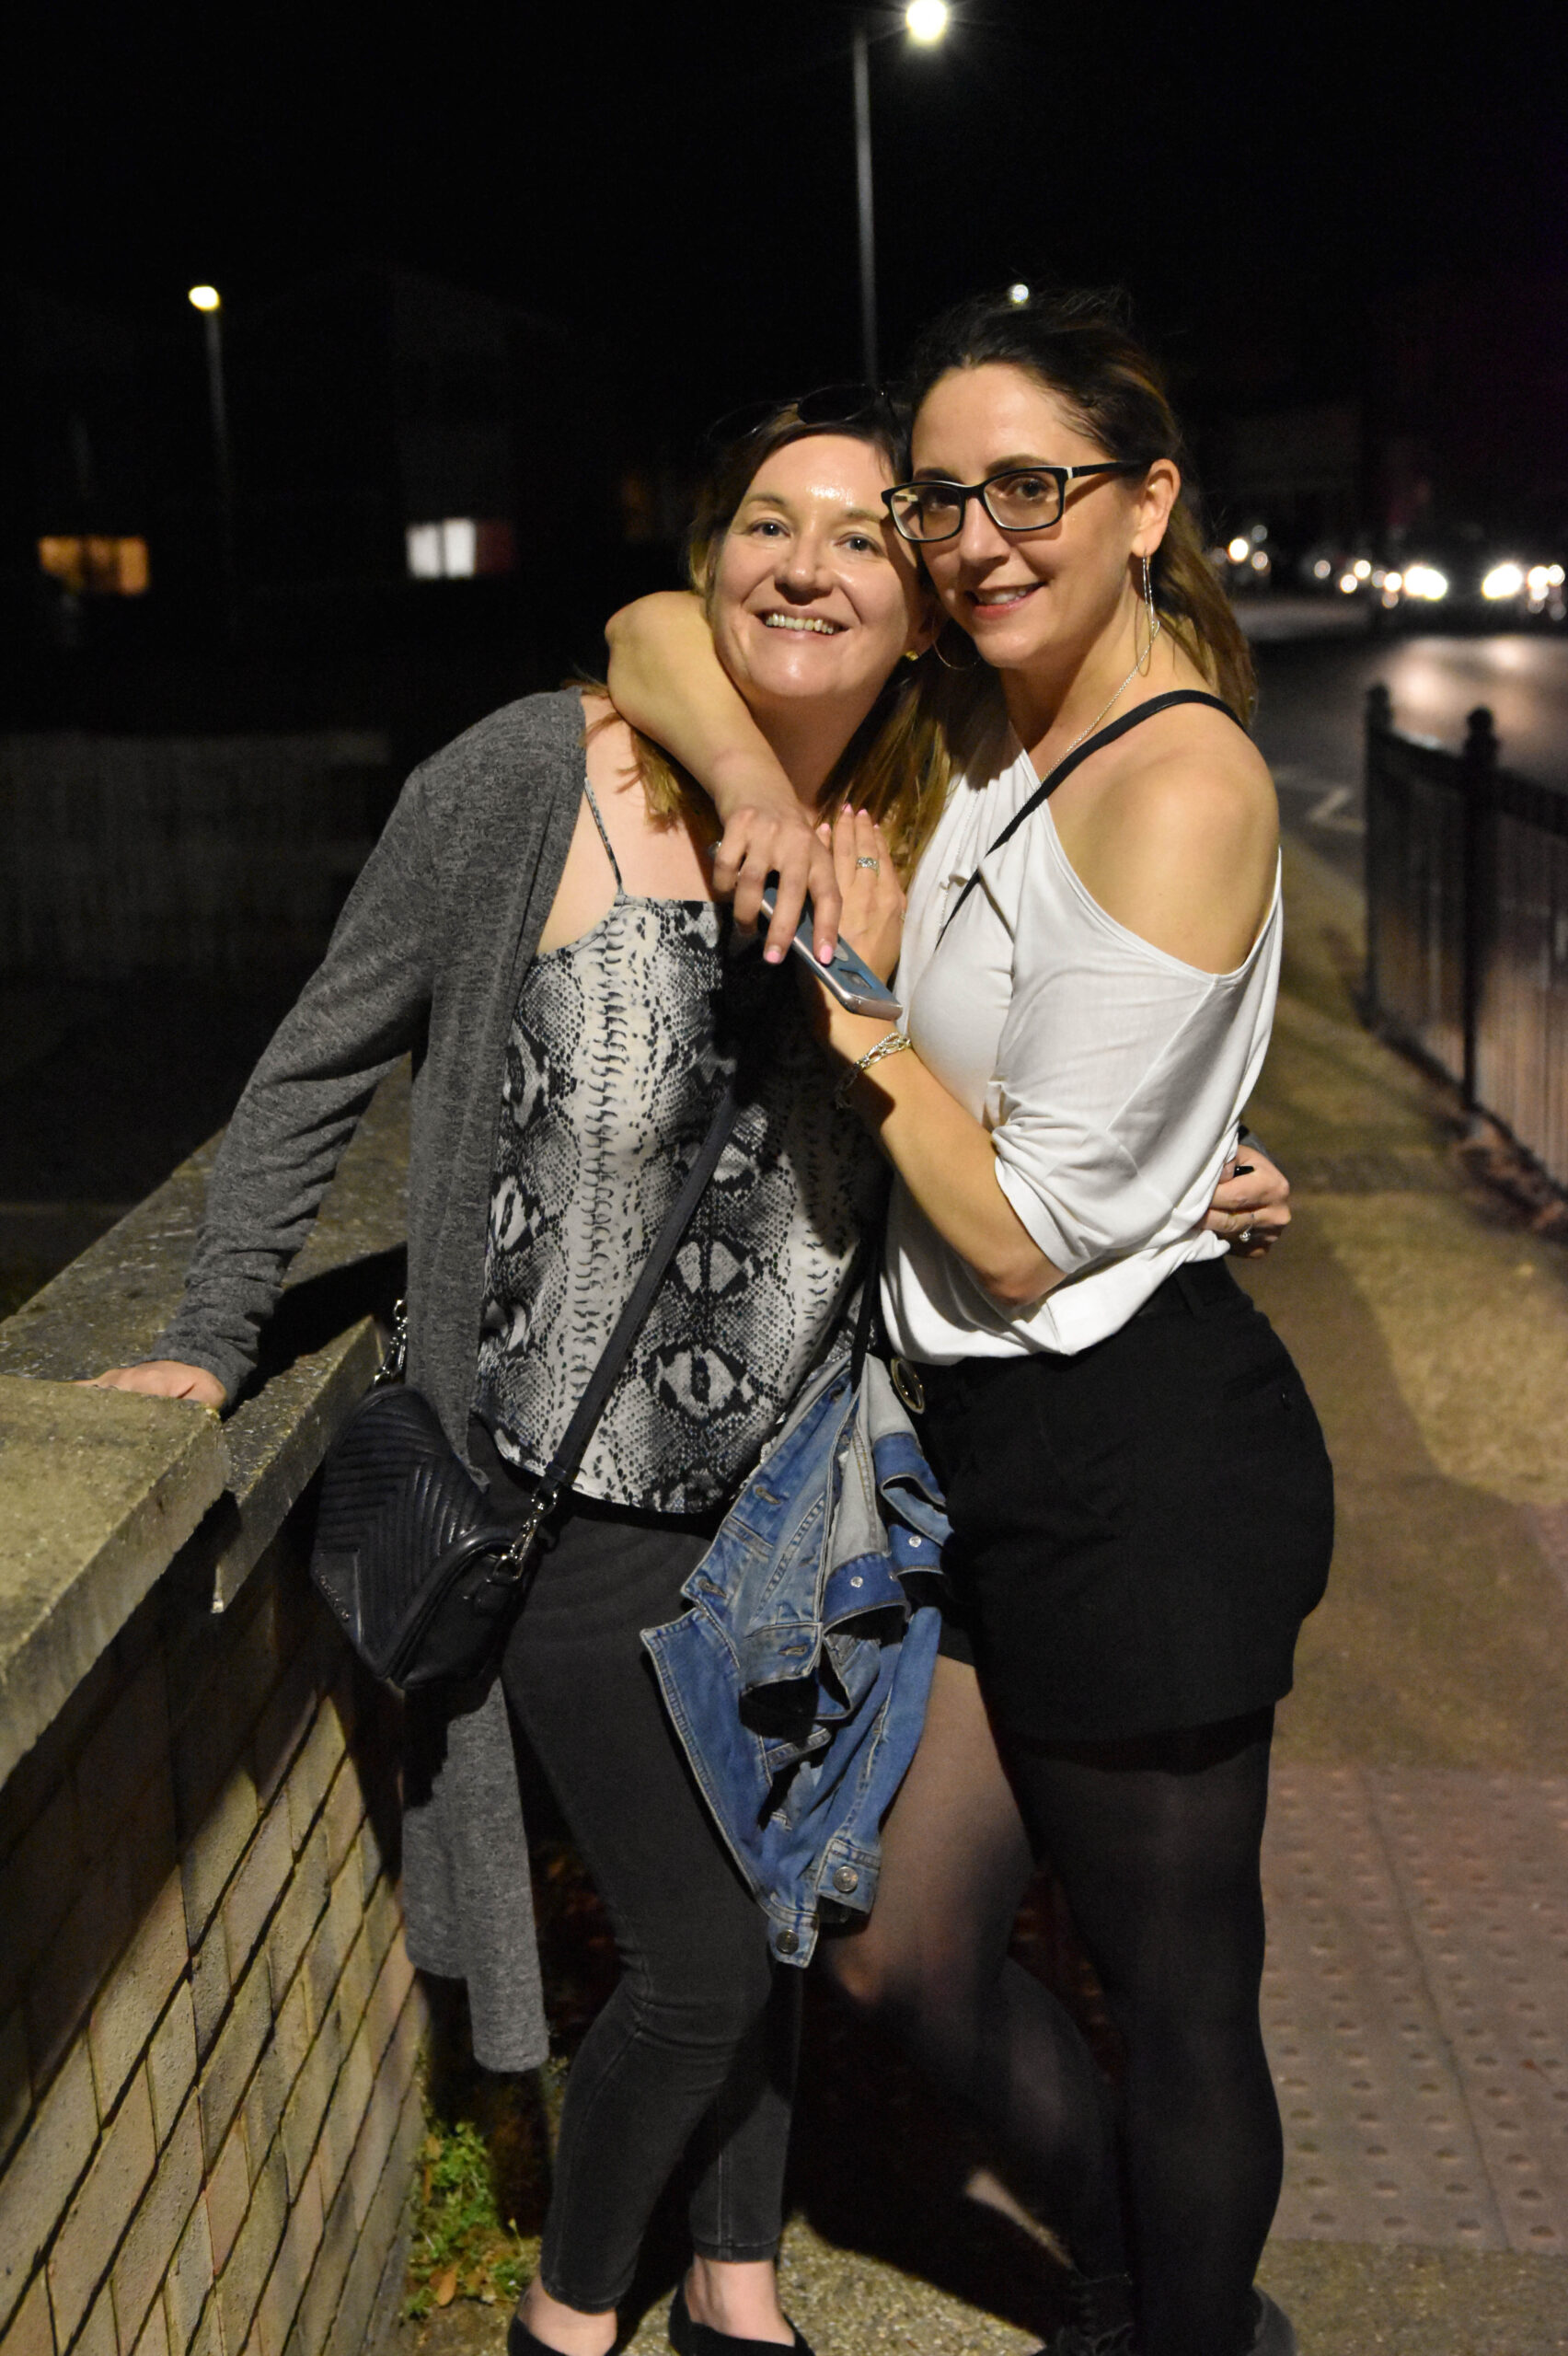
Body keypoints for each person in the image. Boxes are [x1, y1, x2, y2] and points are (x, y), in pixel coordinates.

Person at [94, 377, 1289, 2356]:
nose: (806, 567)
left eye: (861, 536)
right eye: (764, 525)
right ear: (708, 556)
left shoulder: (928, 804)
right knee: (707, 1953)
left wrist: (1177, 1180)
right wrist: (209, 1338)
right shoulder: (528, 777)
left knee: (795, 1913)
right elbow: (313, 1062)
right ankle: (567, 2321)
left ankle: (736, 2286)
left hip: (805, 1509)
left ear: (917, 599)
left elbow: (1059, 1059)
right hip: (565, 1507)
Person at [605, 287, 1332, 2356]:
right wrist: (753, 789)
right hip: (983, 1449)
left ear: (1146, 501)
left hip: (1139, 1458)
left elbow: (1018, 1242)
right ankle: (1138, 2281)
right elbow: (653, 629)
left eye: (1030, 486)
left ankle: (1186, 2324)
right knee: (900, 1952)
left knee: (1175, 1990)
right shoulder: (996, 727)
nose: (973, 537)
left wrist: (843, 1000)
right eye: (941, 497)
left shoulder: (1175, 778)